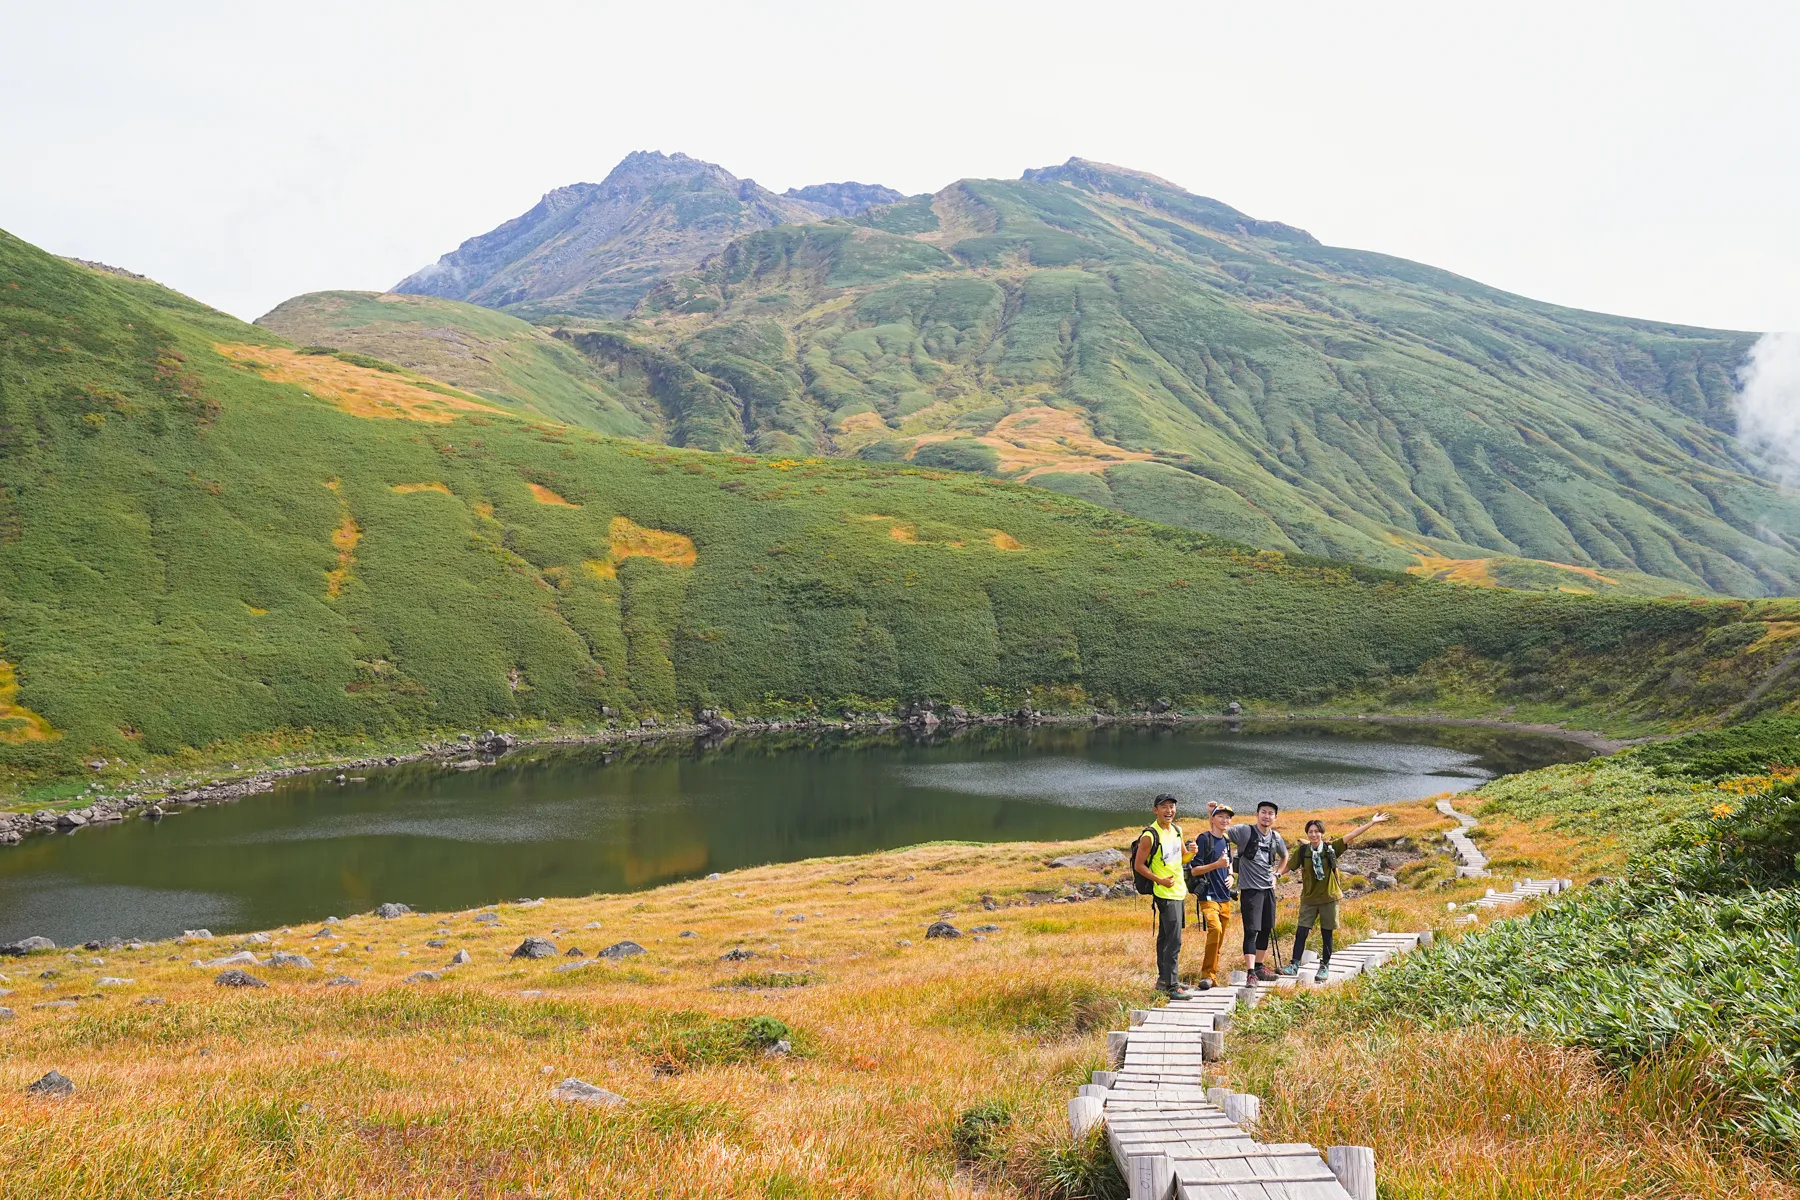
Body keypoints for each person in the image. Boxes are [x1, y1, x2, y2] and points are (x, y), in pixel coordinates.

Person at [1279, 811, 1391, 982]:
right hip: (1309, 898)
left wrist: (1372, 822)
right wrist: (1276, 875)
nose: (1314, 834)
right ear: (1307, 834)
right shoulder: (1303, 851)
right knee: (1301, 932)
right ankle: (1294, 965)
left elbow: (1352, 834)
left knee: (1327, 933)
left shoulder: (1331, 848)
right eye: (1311, 832)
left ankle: (1324, 966)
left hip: (1329, 898)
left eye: (1317, 831)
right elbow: (1288, 867)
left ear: (1322, 833)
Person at [1133, 793, 1198, 997]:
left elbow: (1181, 858)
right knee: (1174, 939)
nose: (1169, 811)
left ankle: (1163, 981)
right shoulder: (1149, 836)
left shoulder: (1177, 830)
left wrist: (1192, 853)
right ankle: (1172, 985)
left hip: (1179, 890)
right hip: (1164, 892)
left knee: (1165, 937)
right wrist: (1159, 880)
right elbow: (1139, 865)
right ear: (1155, 810)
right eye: (1164, 807)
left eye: (1172, 807)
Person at [1225, 800, 1288, 982]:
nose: (1267, 816)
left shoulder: (1276, 837)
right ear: (1257, 814)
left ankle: (1260, 967)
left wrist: (1277, 875)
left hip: (1268, 889)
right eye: (1263, 812)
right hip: (1250, 890)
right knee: (1251, 930)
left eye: (1270, 813)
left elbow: (1285, 856)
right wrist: (1212, 813)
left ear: (1275, 817)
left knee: (1266, 928)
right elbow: (1221, 830)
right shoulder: (1245, 831)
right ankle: (1250, 973)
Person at [1186, 801, 1236, 987]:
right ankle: (1207, 976)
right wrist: (1215, 865)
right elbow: (1194, 870)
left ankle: (1212, 975)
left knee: (1219, 938)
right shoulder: (1203, 839)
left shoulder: (1227, 841)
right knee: (1215, 930)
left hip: (1224, 896)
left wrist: (1230, 874)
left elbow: (1228, 861)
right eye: (1221, 816)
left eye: (1228, 817)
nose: (1225, 820)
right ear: (1212, 819)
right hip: (1208, 896)